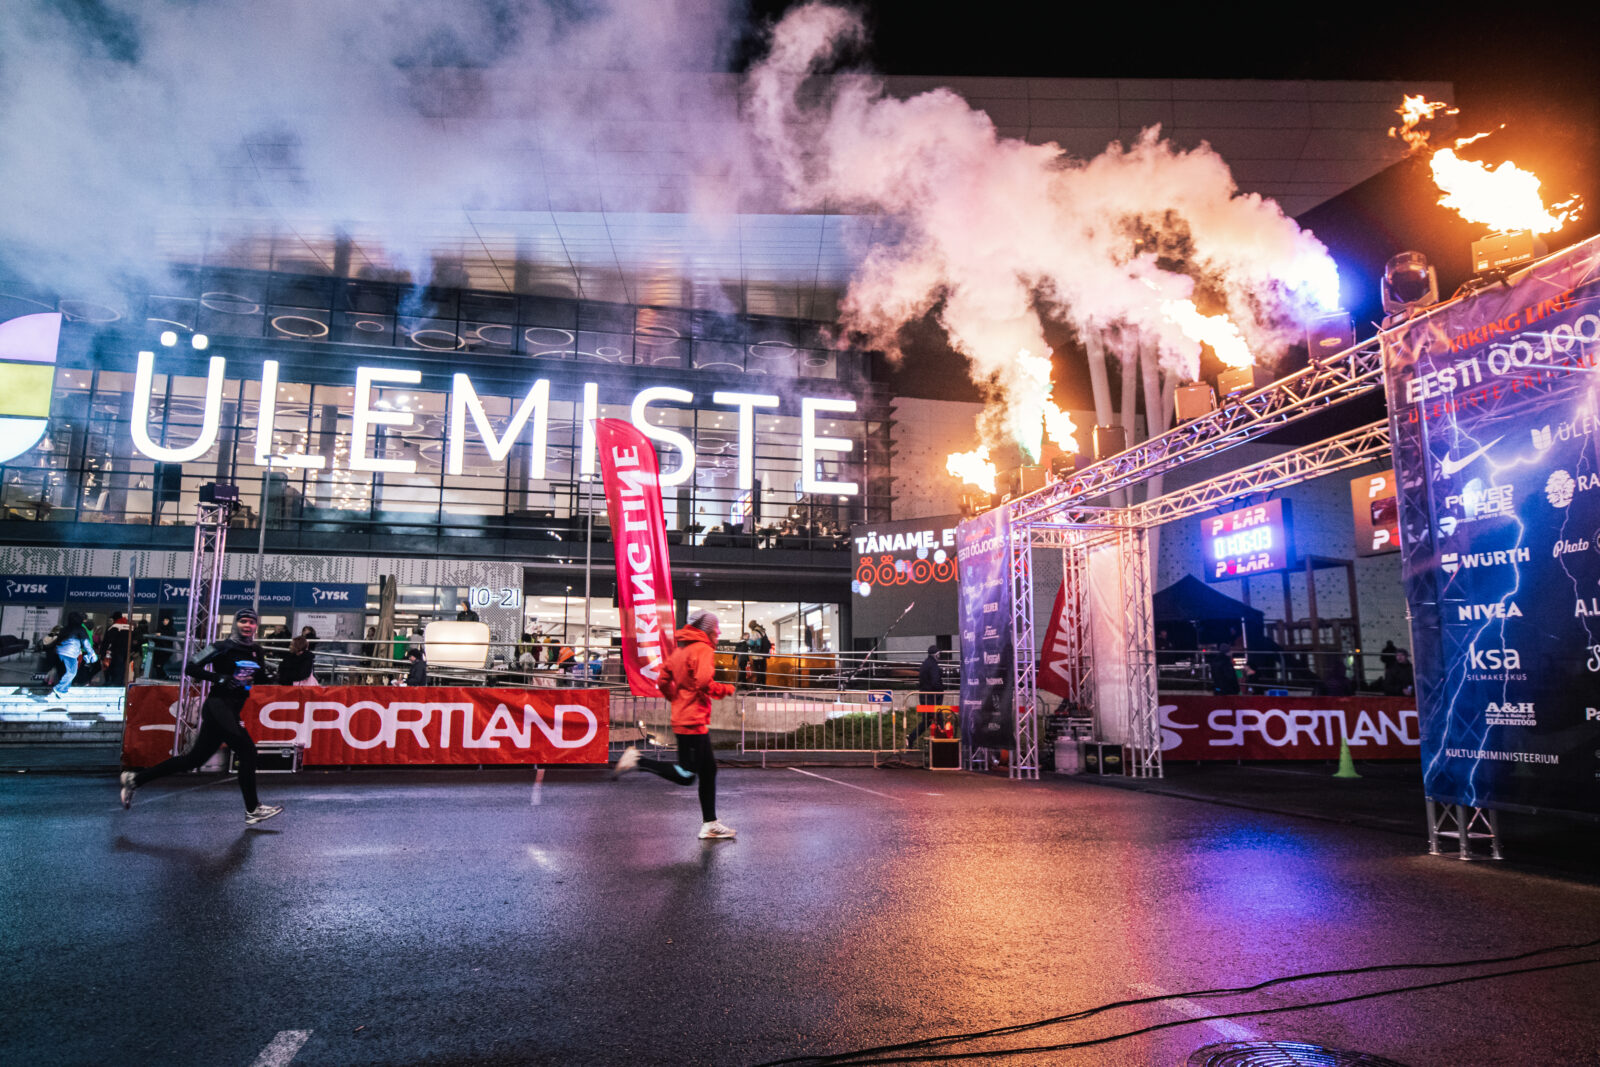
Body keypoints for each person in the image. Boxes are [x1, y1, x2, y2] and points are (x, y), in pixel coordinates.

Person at [118, 608, 282, 825]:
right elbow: (191, 667)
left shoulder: (256, 650)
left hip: (233, 708)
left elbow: (258, 677)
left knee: (193, 760)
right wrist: (220, 678)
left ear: (256, 626)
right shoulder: (221, 647)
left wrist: (272, 676)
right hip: (218, 705)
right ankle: (253, 809)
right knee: (247, 750)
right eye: (243, 621)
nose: (247, 626)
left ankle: (134, 779)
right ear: (235, 624)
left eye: (251, 622)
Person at [610, 609, 737, 840]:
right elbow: (704, 682)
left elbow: (662, 680)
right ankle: (638, 761)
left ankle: (710, 824)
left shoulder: (680, 651)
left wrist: (676, 699)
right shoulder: (703, 649)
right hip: (693, 721)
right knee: (686, 775)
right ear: (707, 630)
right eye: (716, 628)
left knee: (708, 770)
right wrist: (725, 689)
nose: (718, 633)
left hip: (685, 717)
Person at [46, 612, 96, 697]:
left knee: (65, 672)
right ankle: (59, 688)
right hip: (70, 653)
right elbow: (86, 642)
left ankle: (65, 689)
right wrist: (92, 653)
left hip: (59, 652)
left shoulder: (65, 628)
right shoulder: (80, 629)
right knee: (72, 672)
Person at [909, 644, 944, 745]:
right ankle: (943, 744)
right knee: (939, 719)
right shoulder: (933, 666)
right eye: (939, 654)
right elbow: (935, 682)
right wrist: (941, 689)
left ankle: (911, 738)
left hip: (925, 697)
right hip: (932, 698)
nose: (940, 656)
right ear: (936, 655)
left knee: (927, 721)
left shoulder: (925, 664)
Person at [97, 612, 133, 687]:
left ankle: (114, 682)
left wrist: (102, 653)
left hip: (117, 650)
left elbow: (107, 641)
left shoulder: (114, 627)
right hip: (128, 651)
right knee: (123, 667)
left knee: (115, 666)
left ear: (114, 619)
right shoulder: (130, 627)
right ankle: (120, 682)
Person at [749, 621, 771, 687]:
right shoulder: (762, 631)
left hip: (756, 655)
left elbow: (751, 643)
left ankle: (759, 685)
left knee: (757, 670)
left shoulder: (754, 632)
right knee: (762, 670)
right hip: (763, 654)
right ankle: (763, 685)